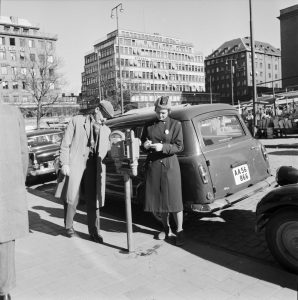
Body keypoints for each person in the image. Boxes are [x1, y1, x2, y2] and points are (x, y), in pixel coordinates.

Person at [56, 100, 114, 243]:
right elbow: (65, 144)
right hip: (75, 164)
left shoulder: (106, 130)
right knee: (72, 198)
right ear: (96, 110)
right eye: (104, 115)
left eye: (107, 117)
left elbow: (106, 151)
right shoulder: (76, 121)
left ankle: (94, 232)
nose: (104, 119)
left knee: (93, 200)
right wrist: (65, 163)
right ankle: (69, 227)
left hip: (94, 167)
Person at [141, 96, 185, 246]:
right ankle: (167, 230)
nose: (161, 115)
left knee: (175, 201)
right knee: (161, 202)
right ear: (155, 110)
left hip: (170, 166)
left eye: (164, 112)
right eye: (159, 112)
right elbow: (142, 143)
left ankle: (180, 231)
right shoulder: (148, 125)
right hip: (154, 166)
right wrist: (145, 146)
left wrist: (163, 147)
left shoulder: (175, 125)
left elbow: (179, 146)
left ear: (169, 111)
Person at [0, 104, 29, 300]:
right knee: (5, 242)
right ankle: (4, 289)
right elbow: (23, 154)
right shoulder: (12, 113)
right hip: (6, 190)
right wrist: (18, 183)